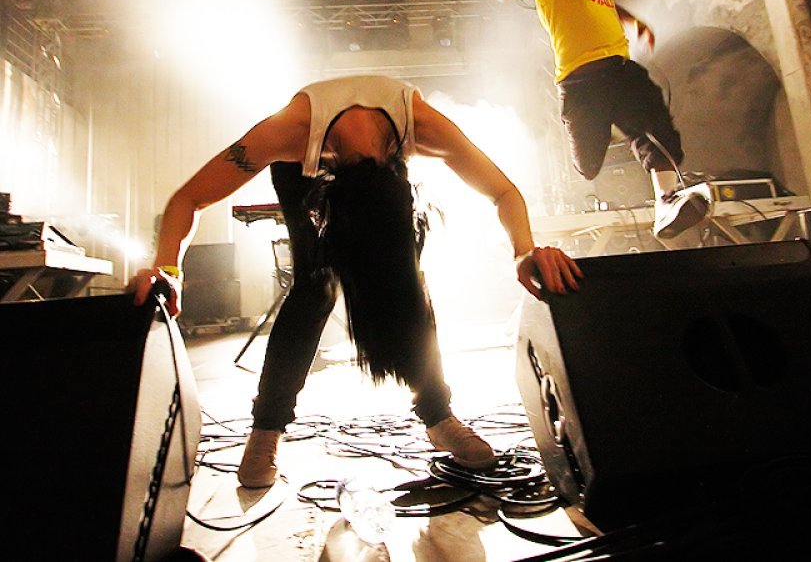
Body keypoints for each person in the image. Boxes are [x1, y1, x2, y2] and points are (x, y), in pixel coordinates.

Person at [130, 75, 582, 488]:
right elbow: (188, 198)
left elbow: (503, 191)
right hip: (300, 167)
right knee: (314, 285)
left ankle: (438, 415)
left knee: (406, 279)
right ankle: (266, 427)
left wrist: (524, 250)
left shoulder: (422, 126)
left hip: (376, 167)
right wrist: (168, 269)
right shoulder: (285, 133)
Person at [475, 0, 710, 239]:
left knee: (656, 125)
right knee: (587, 166)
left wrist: (635, 22)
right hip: (581, 81)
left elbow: (610, 6)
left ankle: (666, 201)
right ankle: (612, 131)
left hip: (619, 69)